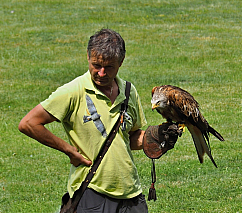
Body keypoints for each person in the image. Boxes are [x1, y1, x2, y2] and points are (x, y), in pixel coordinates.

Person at [19, 29, 149, 212]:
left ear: (121, 62)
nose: (101, 73)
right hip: (92, 191)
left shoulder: (129, 91)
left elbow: (130, 138)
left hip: (131, 193)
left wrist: (155, 140)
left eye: (109, 67)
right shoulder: (74, 91)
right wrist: (69, 150)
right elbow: (28, 123)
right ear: (88, 56)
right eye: (96, 65)